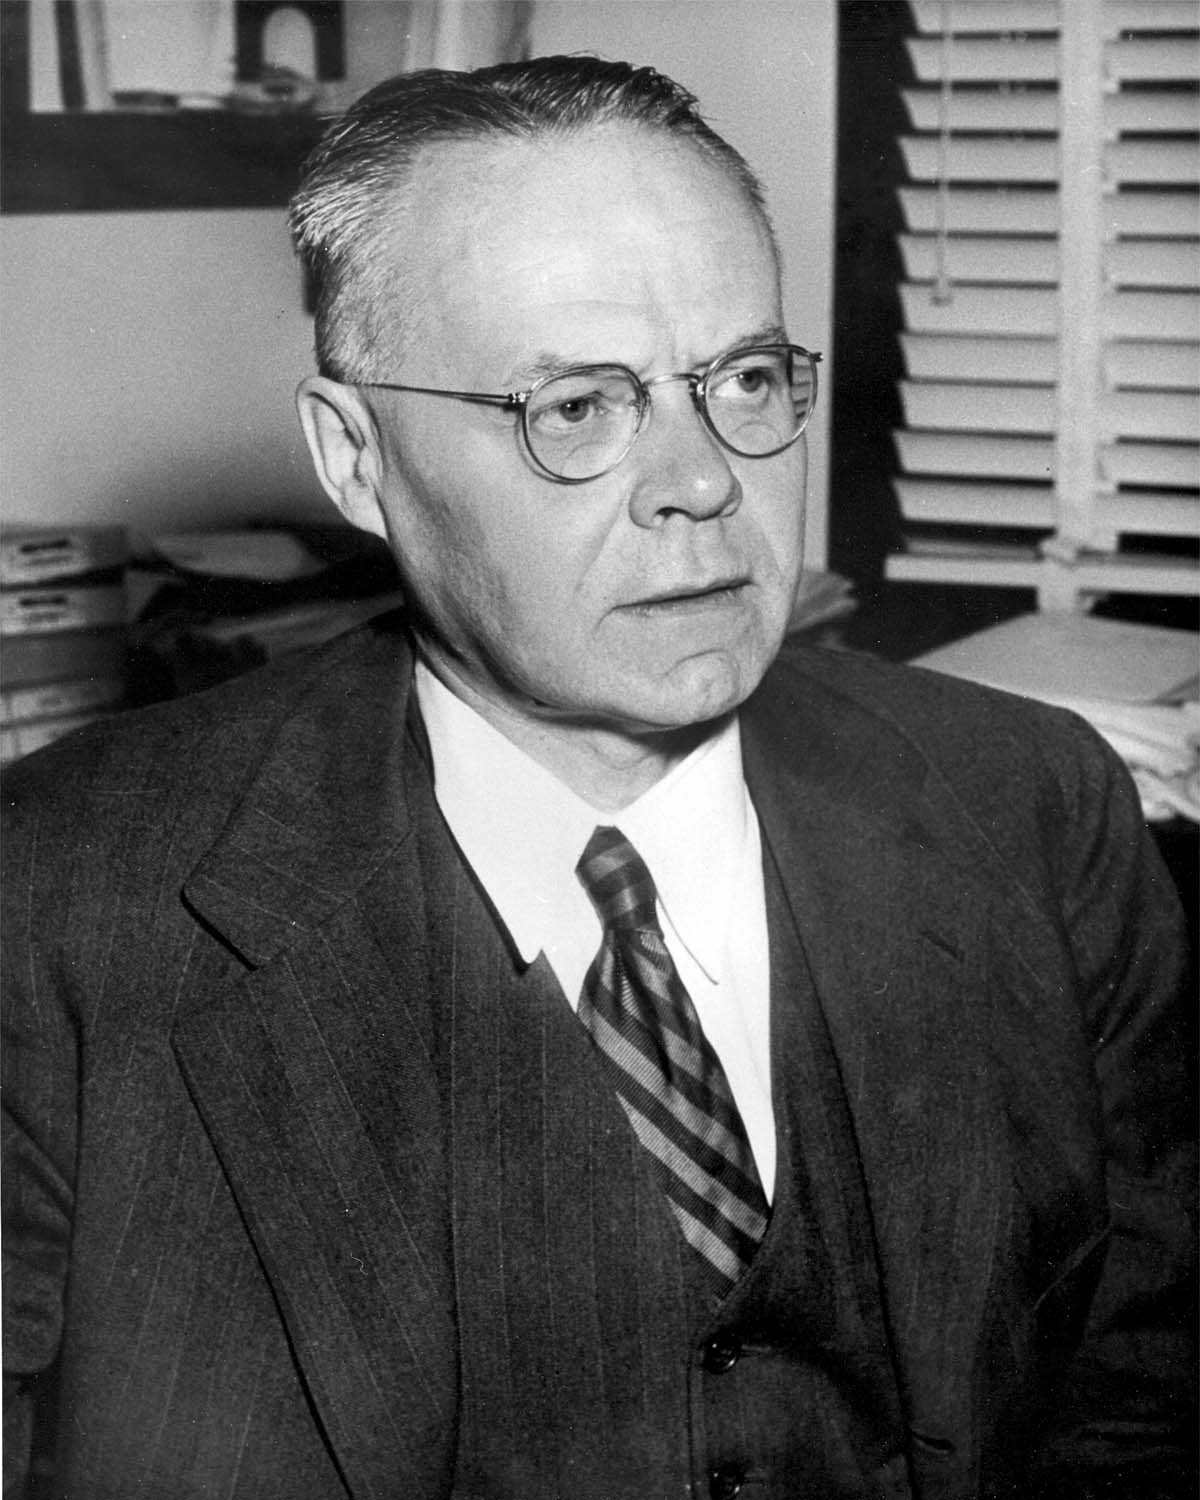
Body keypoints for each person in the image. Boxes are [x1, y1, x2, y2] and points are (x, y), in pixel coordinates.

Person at [2, 55, 1194, 1500]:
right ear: (355, 457)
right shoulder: (61, 902)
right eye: (576, 406)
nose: (702, 481)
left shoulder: (1033, 809)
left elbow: (1141, 1398)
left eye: (744, 380)